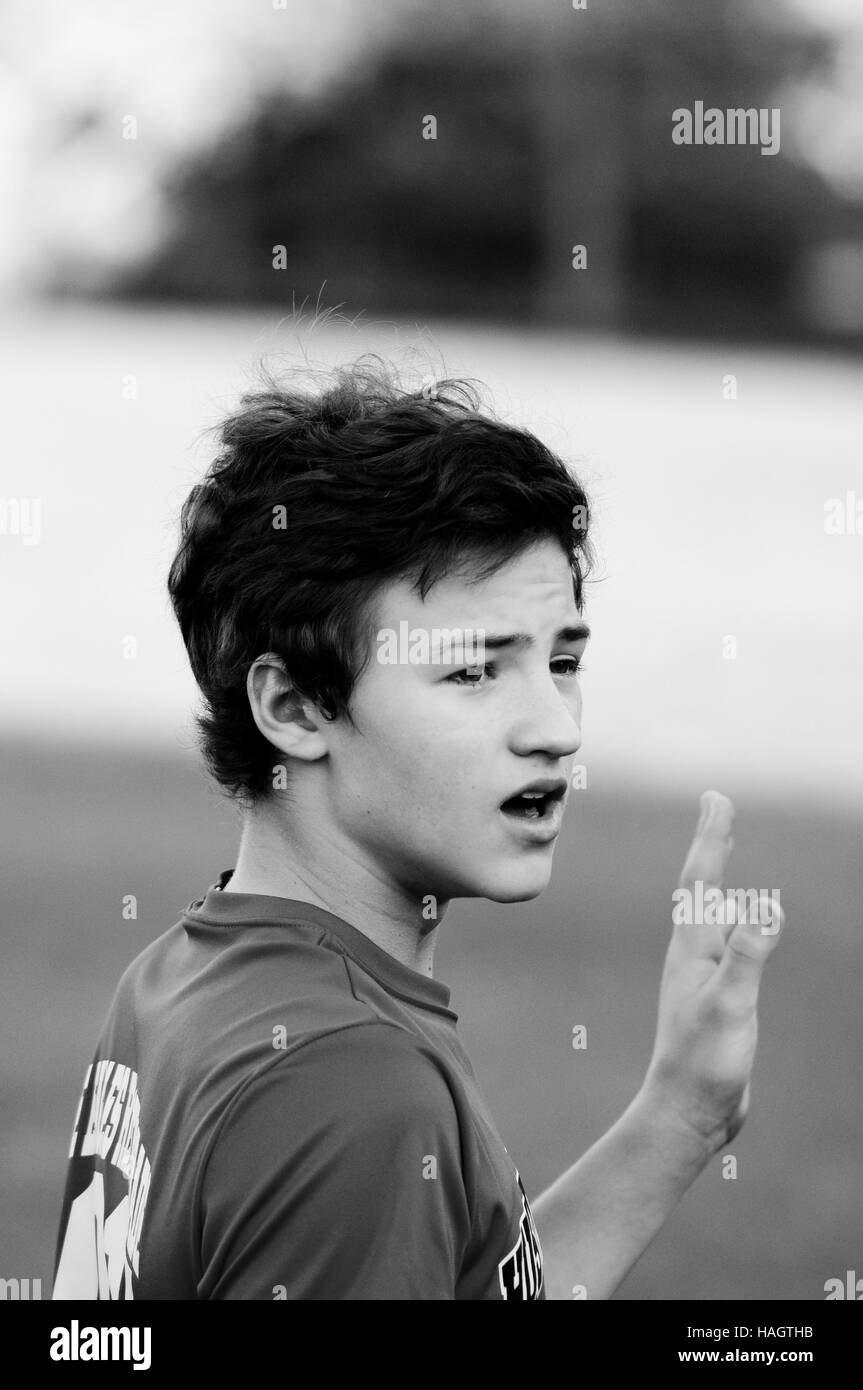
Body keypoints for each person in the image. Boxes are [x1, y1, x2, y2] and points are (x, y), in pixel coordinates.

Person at [52, 358, 783, 1300]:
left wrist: (680, 1119)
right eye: (473, 671)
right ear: (296, 707)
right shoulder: (350, 1090)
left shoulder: (178, 981)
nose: (556, 728)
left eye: (560, 660)